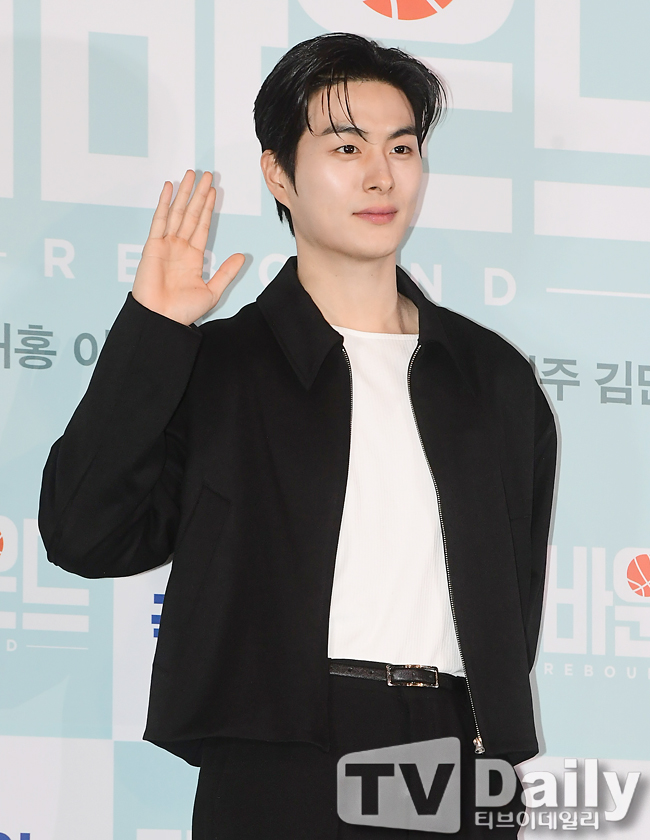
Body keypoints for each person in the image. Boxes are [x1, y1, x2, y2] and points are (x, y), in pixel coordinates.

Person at [39, 33, 557, 839]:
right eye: (346, 148)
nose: (380, 175)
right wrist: (154, 331)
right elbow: (84, 533)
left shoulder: (491, 378)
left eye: (402, 148)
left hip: (457, 755)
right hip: (281, 757)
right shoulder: (222, 367)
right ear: (279, 173)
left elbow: (513, 593)